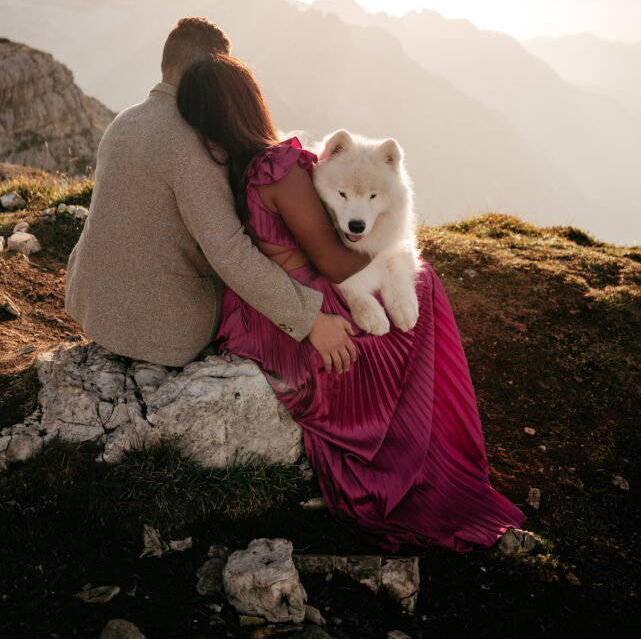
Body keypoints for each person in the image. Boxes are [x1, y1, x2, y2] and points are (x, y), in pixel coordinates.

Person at [177, 53, 528, 553]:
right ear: (250, 103)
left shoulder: (228, 167)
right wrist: (386, 263)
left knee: (408, 287)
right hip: (300, 303)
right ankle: (429, 450)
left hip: (254, 309)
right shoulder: (278, 167)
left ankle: (427, 440)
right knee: (425, 290)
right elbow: (336, 263)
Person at [65, 17, 363, 369]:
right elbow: (229, 251)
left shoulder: (123, 121)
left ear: (163, 64)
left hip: (91, 304)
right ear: (215, 75)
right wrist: (311, 321)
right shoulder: (191, 142)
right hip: (157, 330)